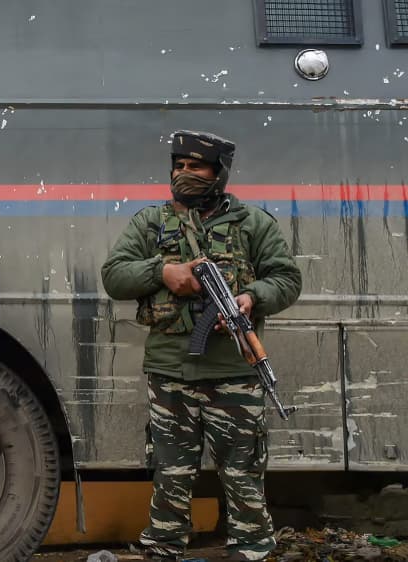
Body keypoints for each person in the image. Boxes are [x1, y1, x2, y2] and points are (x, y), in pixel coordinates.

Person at [101, 131, 302, 561]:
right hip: (171, 374)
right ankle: (165, 548)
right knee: (170, 476)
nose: (184, 174)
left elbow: (287, 279)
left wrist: (252, 297)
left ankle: (250, 549)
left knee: (243, 475)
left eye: (196, 167)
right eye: (179, 166)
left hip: (235, 374)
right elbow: (114, 274)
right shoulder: (151, 223)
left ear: (219, 173)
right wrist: (163, 271)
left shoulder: (252, 224)